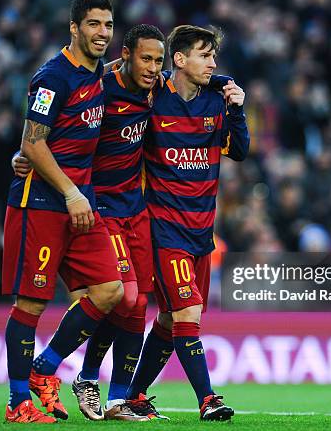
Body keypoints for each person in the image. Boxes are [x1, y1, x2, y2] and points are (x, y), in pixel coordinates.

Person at [14, 24, 167, 421]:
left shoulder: (156, 88)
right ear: (128, 55)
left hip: (135, 208)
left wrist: (225, 84)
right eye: (145, 58)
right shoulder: (101, 84)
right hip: (96, 206)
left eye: (158, 61)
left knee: (134, 302)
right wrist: (24, 154)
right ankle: (77, 377)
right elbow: (46, 128)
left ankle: (116, 396)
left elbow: (189, 76)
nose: (152, 67)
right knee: (123, 296)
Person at [2, 0, 123, 424]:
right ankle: (18, 404)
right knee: (31, 304)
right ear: (74, 28)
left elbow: (163, 69)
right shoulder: (52, 77)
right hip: (42, 203)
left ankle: (44, 369)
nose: (102, 33)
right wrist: (71, 192)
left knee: (111, 291)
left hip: (80, 201)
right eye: (93, 24)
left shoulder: (102, 76)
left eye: (108, 25)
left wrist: (222, 83)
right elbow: (31, 143)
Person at [125, 25, 249, 421]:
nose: (213, 63)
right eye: (204, 54)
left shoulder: (218, 98)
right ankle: (208, 399)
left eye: (214, 55)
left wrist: (238, 108)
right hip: (164, 229)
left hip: (201, 232)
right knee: (188, 313)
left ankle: (135, 395)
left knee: (169, 319)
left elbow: (241, 151)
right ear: (179, 60)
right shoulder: (153, 96)